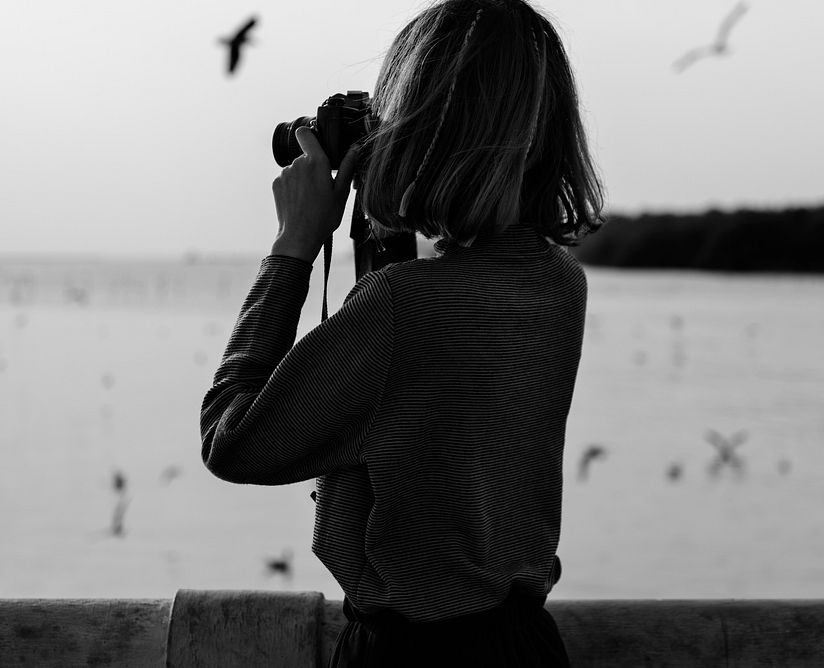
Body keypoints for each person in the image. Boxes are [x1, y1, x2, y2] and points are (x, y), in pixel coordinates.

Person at [200, 0, 604, 664]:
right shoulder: (558, 286)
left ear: (426, 128)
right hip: (523, 646)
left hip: (409, 657)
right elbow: (429, 403)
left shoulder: (399, 305)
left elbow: (233, 444)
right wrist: (383, 228)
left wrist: (295, 246)